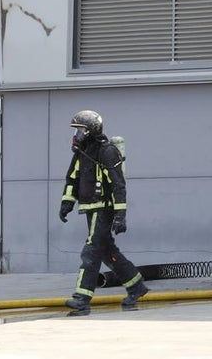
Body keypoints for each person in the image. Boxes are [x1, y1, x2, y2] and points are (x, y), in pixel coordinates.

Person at [58, 109, 149, 315]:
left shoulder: (107, 151)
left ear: (91, 130)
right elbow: (72, 179)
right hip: (90, 209)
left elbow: (118, 185)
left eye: (80, 129)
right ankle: (136, 286)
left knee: (91, 251)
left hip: (104, 208)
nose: (76, 134)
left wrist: (120, 215)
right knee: (107, 251)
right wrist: (66, 203)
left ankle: (82, 299)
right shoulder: (82, 153)